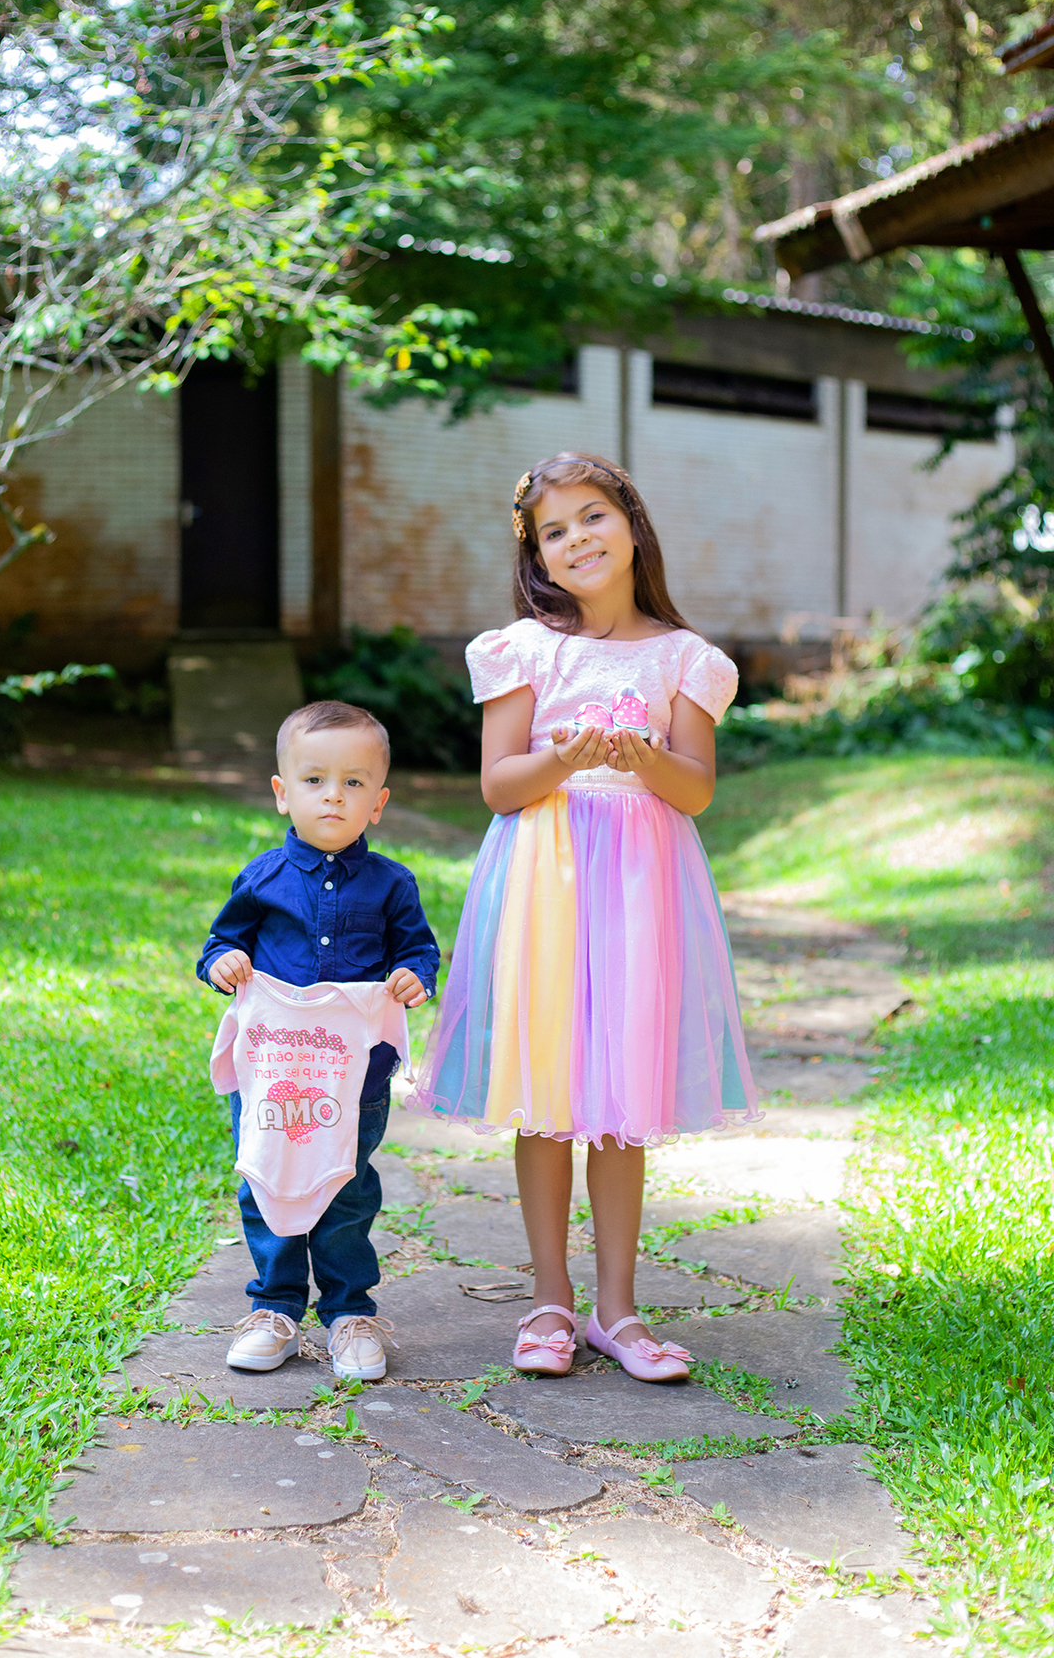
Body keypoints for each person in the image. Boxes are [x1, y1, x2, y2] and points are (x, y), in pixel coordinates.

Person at [407, 453, 759, 1382]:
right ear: (539, 559)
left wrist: (642, 758)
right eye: (554, 532)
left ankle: (618, 1309)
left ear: (632, 524)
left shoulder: (686, 660)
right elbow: (499, 785)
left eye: (592, 517)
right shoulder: (521, 650)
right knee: (548, 1090)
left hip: (640, 885)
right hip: (545, 878)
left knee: (618, 1100)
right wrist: (563, 756)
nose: (578, 540)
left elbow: (695, 791)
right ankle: (550, 1301)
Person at [199, 699, 440, 1382]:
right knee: (265, 1181)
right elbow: (222, 942)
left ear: (379, 803)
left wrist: (411, 976)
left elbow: (419, 950)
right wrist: (223, 964)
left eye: (354, 783)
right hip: (273, 1070)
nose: (333, 795)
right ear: (282, 794)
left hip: (356, 1076)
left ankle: (348, 1312)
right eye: (314, 780)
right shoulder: (262, 879)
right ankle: (274, 1307)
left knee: (347, 1188)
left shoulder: (394, 884)